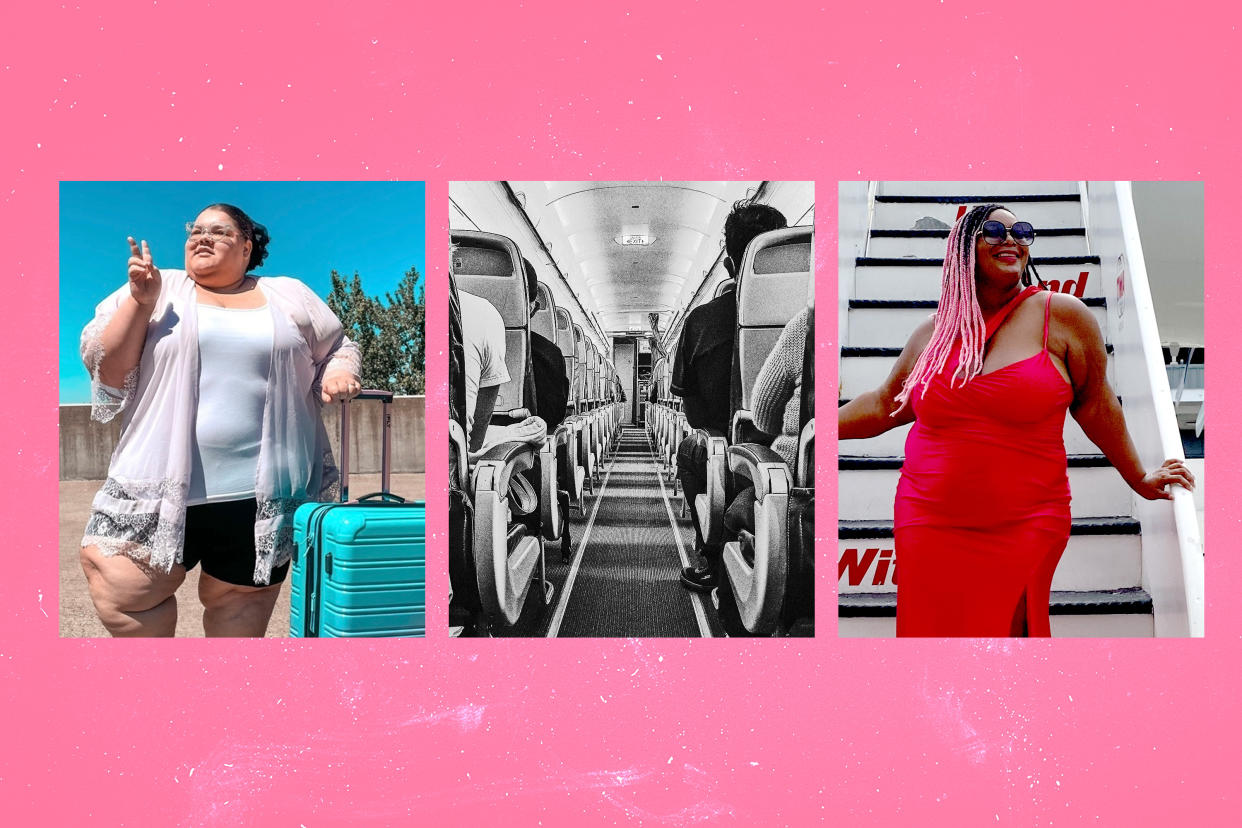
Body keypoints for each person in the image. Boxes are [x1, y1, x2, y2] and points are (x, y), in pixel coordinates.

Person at [838, 204, 1195, 637]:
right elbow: (882, 405)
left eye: (1021, 231)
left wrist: (1139, 477)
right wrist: (818, 429)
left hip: (1027, 519)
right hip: (929, 517)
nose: (1011, 240)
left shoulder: (1063, 316)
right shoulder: (935, 334)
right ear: (962, 248)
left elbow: (1096, 406)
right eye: (993, 231)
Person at [79, 204, 362, 637]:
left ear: (247, 247)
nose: (202, 237)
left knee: (241, 610)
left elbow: (338, 345)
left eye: (219, 231)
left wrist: (341, 371)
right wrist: (141, 302)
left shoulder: (288, 293)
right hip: (155, 490)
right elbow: (107, 370)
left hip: (261, 499)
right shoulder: (161, 286)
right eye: (195, 230)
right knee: (122, 592)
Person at [673, 201, 788, 592]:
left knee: (688, 451)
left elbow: (691, 413)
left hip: (725, 448)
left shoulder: (700, 322)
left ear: (729, 265)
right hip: (798, 451)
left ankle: (710, 554)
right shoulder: (809, 316)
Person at [723, 304, 810, 538]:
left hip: (795, 488)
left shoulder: (808, 323)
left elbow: (762, 415)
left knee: (734, 512)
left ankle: (713, 566)